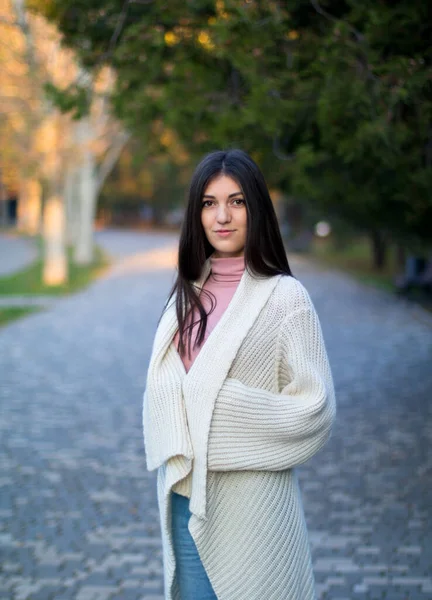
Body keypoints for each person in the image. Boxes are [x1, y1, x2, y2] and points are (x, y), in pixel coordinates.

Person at [142, 149, 336, 600]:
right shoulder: (185, 295)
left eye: (237, 201)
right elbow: (170, 390)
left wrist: (216, 406)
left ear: (257, 209)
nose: (222, 216)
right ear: (196, 214)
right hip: (185, 498)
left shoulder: (286, 298)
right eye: (209, 203)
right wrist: (185, 401)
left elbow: (315, 408)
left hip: (254, 505)